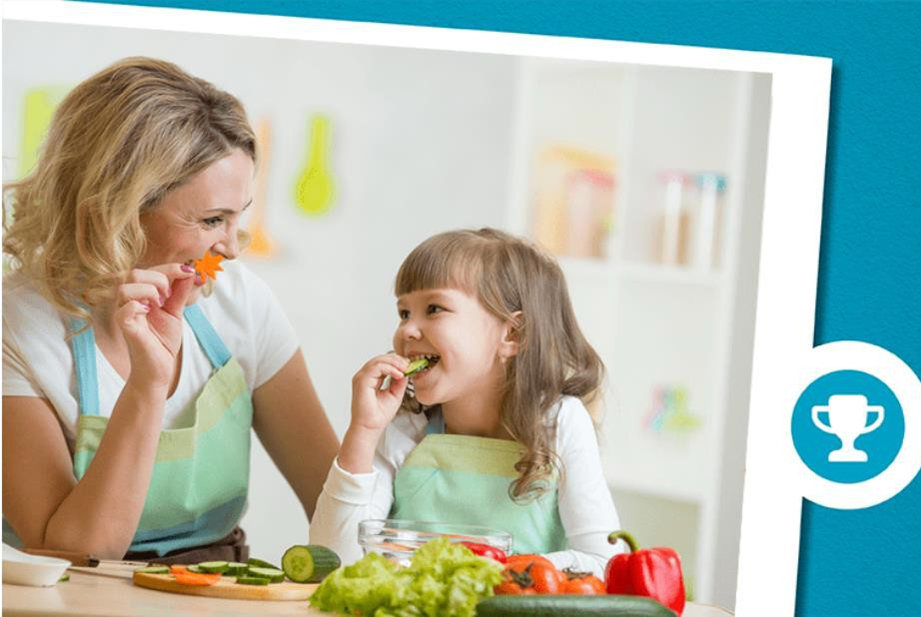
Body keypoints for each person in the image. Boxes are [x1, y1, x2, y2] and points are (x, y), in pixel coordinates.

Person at [2, 57, 340, 563]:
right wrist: (147, 385)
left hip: (214, 590)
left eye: (238, 215)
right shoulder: (17, 324)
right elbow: (74, 551)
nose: (231, 247)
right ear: (118, 209)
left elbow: (335, 502)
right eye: (211, 220)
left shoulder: (241, 302)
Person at [310, 228, 624, 575]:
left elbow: (604, 563)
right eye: (403, 313)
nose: (408, 331)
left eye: (434, 309)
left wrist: (498, 572)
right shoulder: (404, 429)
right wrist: (364, 431)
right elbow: (334, 562)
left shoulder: (559, 423)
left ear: (512, 334)